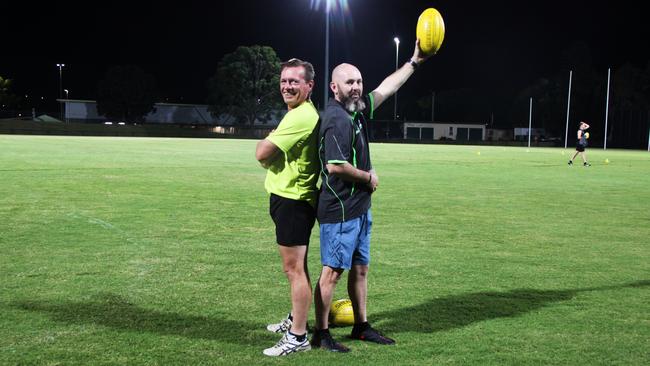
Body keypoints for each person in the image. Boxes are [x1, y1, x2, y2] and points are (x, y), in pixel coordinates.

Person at [311, 41, 430, 352]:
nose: (357, 87)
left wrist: (414, 62)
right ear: (334, 86)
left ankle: (361, 326)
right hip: (340, 210)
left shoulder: (357, 110)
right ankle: (321, 334)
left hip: (360, 208)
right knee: (332, 273)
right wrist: (369, 177)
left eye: (359, 82)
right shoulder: (336, 118)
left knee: (360, 269)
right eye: (350, 82)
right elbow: (335, 166)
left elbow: (386, 89)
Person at [255, 58, 320, 357]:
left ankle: (298, 337)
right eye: (284, 81)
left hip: (293, 201)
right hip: (289, 198)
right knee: (299, 268)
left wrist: (268, 147)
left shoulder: (301, 116)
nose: (287, 86)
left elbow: (262, 153)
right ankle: (297, 319)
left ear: (309, 85)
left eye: (294, 81)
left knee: (293, 269)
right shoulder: (297, 113)